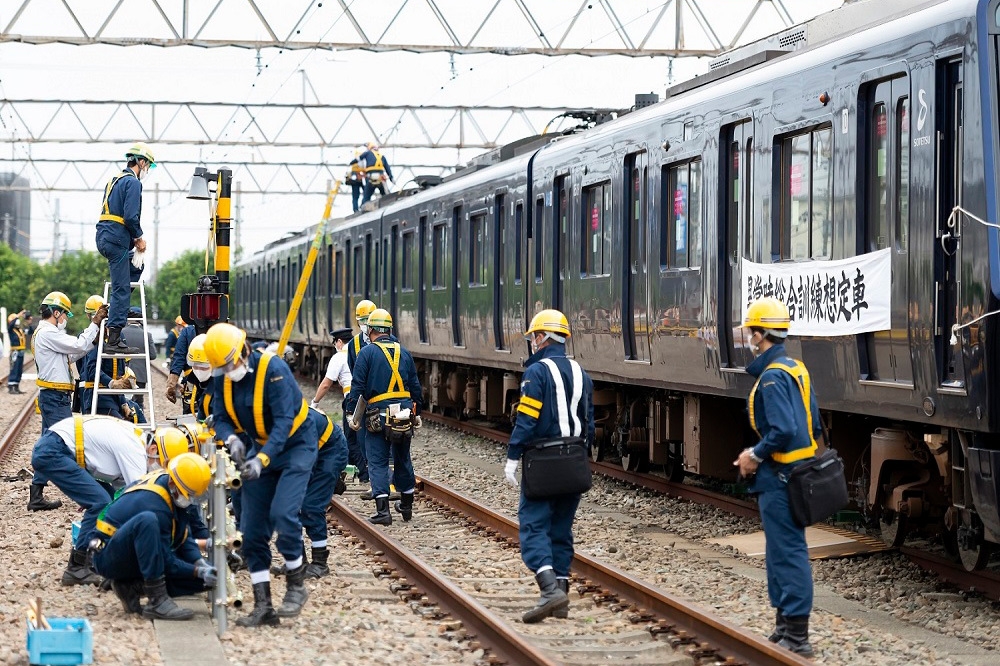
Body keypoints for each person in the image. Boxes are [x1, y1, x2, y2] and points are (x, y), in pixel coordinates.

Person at [204, 322, 318, 627]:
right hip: (261, 448)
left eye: (230, 363)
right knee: (252, 530)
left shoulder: (274, 369)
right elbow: (220, 416)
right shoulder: (223, 377)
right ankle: (263, 606)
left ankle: (296, 582)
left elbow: (283, 422)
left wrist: (262, 460)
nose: (229, 371)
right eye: (222, 367)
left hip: (295, 446)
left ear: (243, 351)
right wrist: (232, 439)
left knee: (283, 513)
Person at [733, 297, 819, 658]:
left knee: (788, 552)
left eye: (750, 332)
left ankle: (797, 634)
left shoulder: (770, 379)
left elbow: (783, 430)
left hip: (781, 477)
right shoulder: (795, 368)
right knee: (781, 551)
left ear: (758, 335)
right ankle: (785, 624)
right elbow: (811, 421)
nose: (748, 339)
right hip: (794, 475)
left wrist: (754, 455)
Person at [503, 309, 594, 624]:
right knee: (561, 528)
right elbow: (590, 424)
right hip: (574, 460)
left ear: (541, 338)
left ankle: (549, 590)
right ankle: (562, 596)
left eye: (533, 337)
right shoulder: (582, 372)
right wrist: (582, 457)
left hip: (543, 461)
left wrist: (513, 456)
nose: (532, 342)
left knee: (533, 525)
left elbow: (527, 419)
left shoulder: (536, 373)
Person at [31, 416, 187, 585]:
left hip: (58, 447)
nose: (160, 470)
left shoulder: (137, 442)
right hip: (54, 450)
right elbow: (144, 498)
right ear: (153, 449)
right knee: (100, 504)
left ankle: (98, 558)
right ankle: (77, 567)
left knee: (109, 502)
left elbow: (123, 498)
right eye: (162, 463)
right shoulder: (133, 449)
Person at [91, 453, 215, 621]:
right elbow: (166, 561)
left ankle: (131, 586)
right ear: (173, 483)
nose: (189, 500)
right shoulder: (154, 503)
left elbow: (184, 533)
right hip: (108, 556)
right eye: (188, 495)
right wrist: (197, 571)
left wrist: (199, 563)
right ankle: (157, 600)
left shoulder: (175, 487)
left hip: (136, 552)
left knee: (206, 581)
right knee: (147, 521)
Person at [31, 291, 107, 511]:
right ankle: (87, 494)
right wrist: (94, 324)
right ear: (56, 313)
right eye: (64, 315)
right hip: (55, 398)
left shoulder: (45, 334)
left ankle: (36, 494)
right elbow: (76, 346)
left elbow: (71, 355)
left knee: (49, 445)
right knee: (70, 443)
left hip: (53, 397)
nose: (65, 319)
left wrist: (91, 338)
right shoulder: (48, 332)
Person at [346, 308, 422, 526]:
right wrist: (418, 412)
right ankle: (406, 506)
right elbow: (415, 387)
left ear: (370, 330)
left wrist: (352, 413)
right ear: (389, 329)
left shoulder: (366, 353)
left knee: (377, 462)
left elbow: (358, 386)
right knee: (402, 458)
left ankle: (383, 511)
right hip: (403, 414)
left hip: (377, 415)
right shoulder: (404, 352)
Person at [96, 142, 154, 354]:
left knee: (136, 269)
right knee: (121, 289)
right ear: (140, 161)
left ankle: (118, 308)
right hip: (117, 240)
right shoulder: (133, 183)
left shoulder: (114, 180)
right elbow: (130, 216)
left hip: (105, 237)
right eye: (146, 165)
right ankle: (113, 340)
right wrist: (138, 237)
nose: (146, 169)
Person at [298, 407, 349, 578]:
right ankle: (298, 563)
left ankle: (320, 563)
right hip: (309, 451)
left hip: (331, 451)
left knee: (311, 506)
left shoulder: (303, 423)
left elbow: (305, 461)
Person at [78, 295, 134, 420]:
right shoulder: (92, 337)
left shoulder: (116, 336)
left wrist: (123, 401)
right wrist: (111, 383)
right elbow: (89, 369)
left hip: (112, 395)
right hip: (95, 395)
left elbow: (119, 371)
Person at [345, 301, 377, 490]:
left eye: (368, 320)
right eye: (362, 321)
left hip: (383, 398)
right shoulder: (353, 345)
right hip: (363, 399)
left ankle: (383, 479)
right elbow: (354, 373)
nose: (365, 324)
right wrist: (352, 407)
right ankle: (370, 475)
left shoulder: (389, 340)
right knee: (363, 438)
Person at [122, 306, 157, 408]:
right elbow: (153, 355)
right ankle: (139, 420)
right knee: (139, 401)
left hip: (124, 372)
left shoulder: (121, 332)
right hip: (141, 374)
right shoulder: (147, 335)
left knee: (123, 400)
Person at [310, 327, 353, 409]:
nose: (335, 346)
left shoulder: (339, 357)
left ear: (339, 341)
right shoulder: (362, 352)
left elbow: (326, 384)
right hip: (367, 398)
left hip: (351, 398)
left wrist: (315, 402)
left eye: (335, 343)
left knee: (350, 422)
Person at [181, 334, 213, 420]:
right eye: (195, 366)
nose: (199, 370)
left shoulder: (222, 384)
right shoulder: (191, 381)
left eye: (203, 367)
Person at [165, 323, 197, 405]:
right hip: (217, 380)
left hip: (191, 379)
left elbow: (179, 357)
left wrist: (171, 385)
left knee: (191, 410)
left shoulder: (188, 331)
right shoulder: (223, 329)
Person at [7, 309, 28, 393]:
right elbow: (11, 324)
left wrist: (28, 321)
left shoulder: (20, 330)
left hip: (21, 352)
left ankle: (16, 386)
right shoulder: (11, 330)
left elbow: (29, 330)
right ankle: (11, 387)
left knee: (19, 370)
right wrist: (18, 315)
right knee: (14, 369)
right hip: (15, 352)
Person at [346, 147, 366, 213]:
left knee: (355, 196)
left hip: (355, 180)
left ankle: (356, 209)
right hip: (361, 178)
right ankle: (363, 205)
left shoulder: (353, 162)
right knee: (366, 193)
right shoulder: (362, 159)